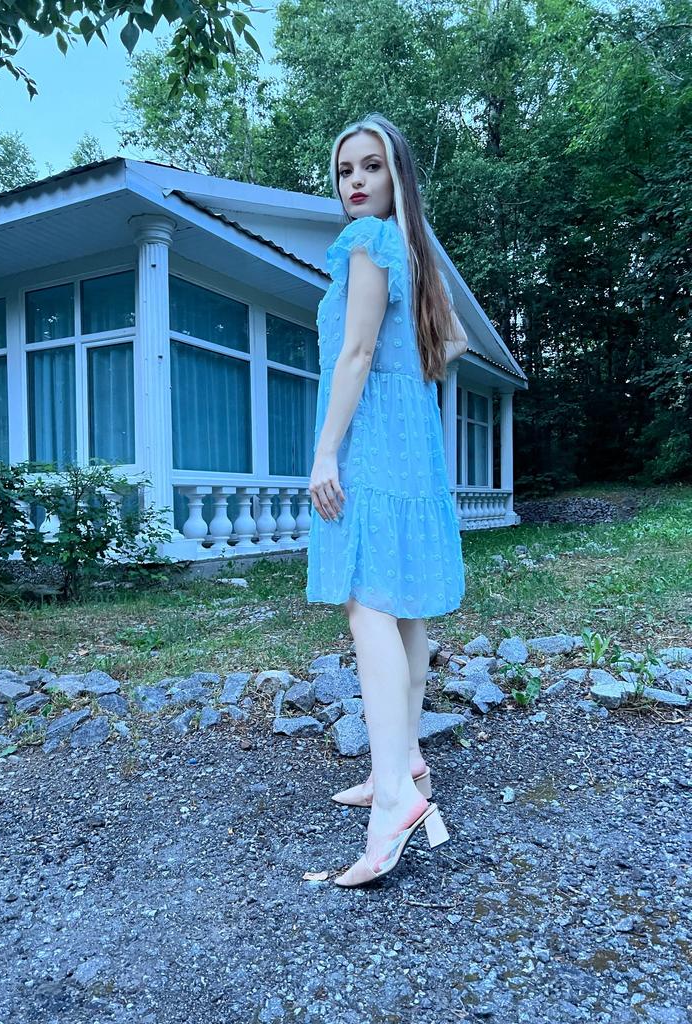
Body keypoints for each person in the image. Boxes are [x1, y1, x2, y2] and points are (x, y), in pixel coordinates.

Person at [304, 113, 469, 887]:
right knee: (401, 607)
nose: (356, 181)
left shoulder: (368, 242)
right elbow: (452, 343)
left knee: (367, 605)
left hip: (371, 444)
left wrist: (325, 452)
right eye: (346, 170)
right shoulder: (414, 249)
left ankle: (396, 797)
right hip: (412, 443)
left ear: (397, 174)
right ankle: (403, 765)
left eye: (371, 166)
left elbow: (358, 353)